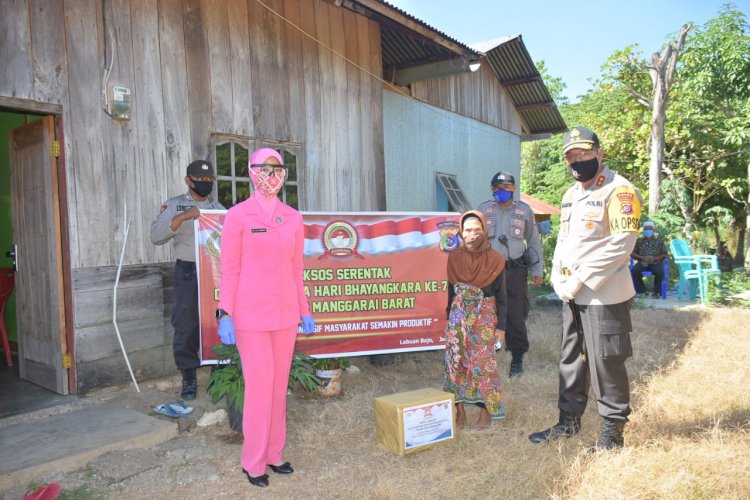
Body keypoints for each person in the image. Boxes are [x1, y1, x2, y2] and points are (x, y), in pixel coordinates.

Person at [529, 126, 643, 451]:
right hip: (572, 294)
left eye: (583, 153)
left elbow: (622, 245)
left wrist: (582, 277)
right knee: (571, 359)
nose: (577, 161)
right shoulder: (571, 195)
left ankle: (612, 435)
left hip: (604, 294)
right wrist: (557, 276)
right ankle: (568, 423)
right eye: (571, 156)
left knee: (606, 361)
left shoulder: (620, 191)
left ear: (599, 153)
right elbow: (564, 242)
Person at [215, 147, 315, 488]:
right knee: (259, 389)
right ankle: (253, 461)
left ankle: (274, 453)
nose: (270, 175)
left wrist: (304, 309)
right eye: (264, 168)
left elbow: (296, 269)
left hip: (285, 315)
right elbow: (229, 270)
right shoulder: (238, 216)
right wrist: (224, 312)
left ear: (283, 173)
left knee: (277, 388)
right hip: (250, 317)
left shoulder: (293, 217)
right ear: (251, 171)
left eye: (276, 169)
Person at [150, 160, 224, 400]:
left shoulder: (218, 208)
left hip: (214, 272)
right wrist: (182, 218)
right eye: (199, 180)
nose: (205, 183)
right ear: (188, 181)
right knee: (186, 325)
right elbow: (156, 236)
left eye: (208, 180)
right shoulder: (174, 205)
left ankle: (218, 373)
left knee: (218, 322)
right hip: (188, 271)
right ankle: (189, 377)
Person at [445, 210, 507, 431]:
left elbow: (502, 297)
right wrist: (449, 322)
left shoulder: (496, 260)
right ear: (461, 232)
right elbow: (451, 293)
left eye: (477, 230)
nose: (472, 235)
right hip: (458, 315)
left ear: (485, 231)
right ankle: (459, 410)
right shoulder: (454, 258)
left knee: (483, 364)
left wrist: (501, 328)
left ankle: (485, 412)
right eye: (468, 230)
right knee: (456, 362)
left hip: (485, 315)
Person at [478, 171, 543, 377]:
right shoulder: (482, 210)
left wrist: (537, 270)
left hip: (514, 270)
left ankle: (517, 357)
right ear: (492, 189)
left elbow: (533, 241)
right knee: (487, 313)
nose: (502, 191)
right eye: (497, 188)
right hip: (488, 271)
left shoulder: (524, 211)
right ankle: (488, 354)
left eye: (506, 187)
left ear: (513, 188)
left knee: (515, 314)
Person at [630, 221, 669, 298]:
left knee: (659, 272)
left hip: (655, 262)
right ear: (643, 230)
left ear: (653, 230)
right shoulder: (639, 241)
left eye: (650, 229)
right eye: (646, 229)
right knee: (635, 270)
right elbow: (632, 253)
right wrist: (642, 257)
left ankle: (656, 292)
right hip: (642, 262)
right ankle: (642, 291)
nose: (648, 231)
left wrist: (656, 258)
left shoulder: (659, 241)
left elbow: (665, 254)